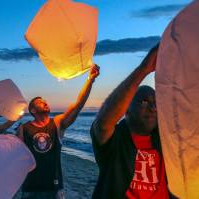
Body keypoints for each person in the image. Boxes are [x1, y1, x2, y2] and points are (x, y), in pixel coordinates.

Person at [91, 45, 177, 199]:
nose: (152, 108)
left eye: (155, 103)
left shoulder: (165, 139)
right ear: (126, 109)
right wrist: (143, 69)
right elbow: (103, 124)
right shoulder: (116, 140)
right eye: (144, 102)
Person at [17, 65, 100, 199]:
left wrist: (90, 80)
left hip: (54, 188)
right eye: (40, 102)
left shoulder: (56, 123)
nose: (45, 102)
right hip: (30, 188)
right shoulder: (23, 128)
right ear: (32, 110)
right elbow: (16, 157)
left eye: (45, 101)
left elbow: (78, 104)